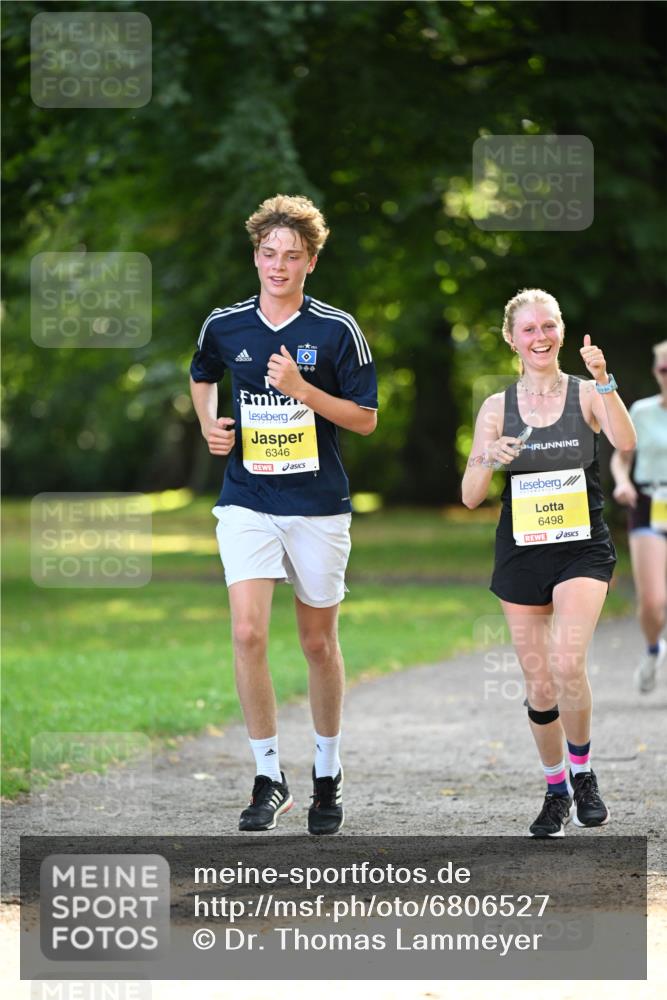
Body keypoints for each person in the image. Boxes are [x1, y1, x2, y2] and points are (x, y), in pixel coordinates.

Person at [189, 194, 377, 835]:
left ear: (311, 262)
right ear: (256, 256)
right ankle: (269, 776)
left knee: (318, 642)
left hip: (318, 505)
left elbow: (365, 418)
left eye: (291, 257)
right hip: (247, 499)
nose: (278, 266)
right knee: (247, 634)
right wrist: (210, 426)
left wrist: (304, 392)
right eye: (269, 254)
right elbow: (201, 374)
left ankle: (327, 772)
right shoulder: (226, 325)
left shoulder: (335, 330)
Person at [462, 288, 636, 838]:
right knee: (540, 683)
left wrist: (604, 378)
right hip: (522, 551)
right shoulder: (495, 408)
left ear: (561, 332)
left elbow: (626, 441)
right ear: (512, 339)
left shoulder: (586, 393)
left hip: (582, 546)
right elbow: (469, 494)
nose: (541, 337)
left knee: (565, 664)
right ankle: (556, 787)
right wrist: (489, 456)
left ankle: (583, 773)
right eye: (530, 329)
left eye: (549, 326)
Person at [610, 340, 667, 693]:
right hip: (650, 501)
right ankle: (652, 650)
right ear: (655, 372)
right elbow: (621, 457)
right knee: (652, 601)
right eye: (664, 369)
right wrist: (622, 482)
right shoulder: (642, 411)